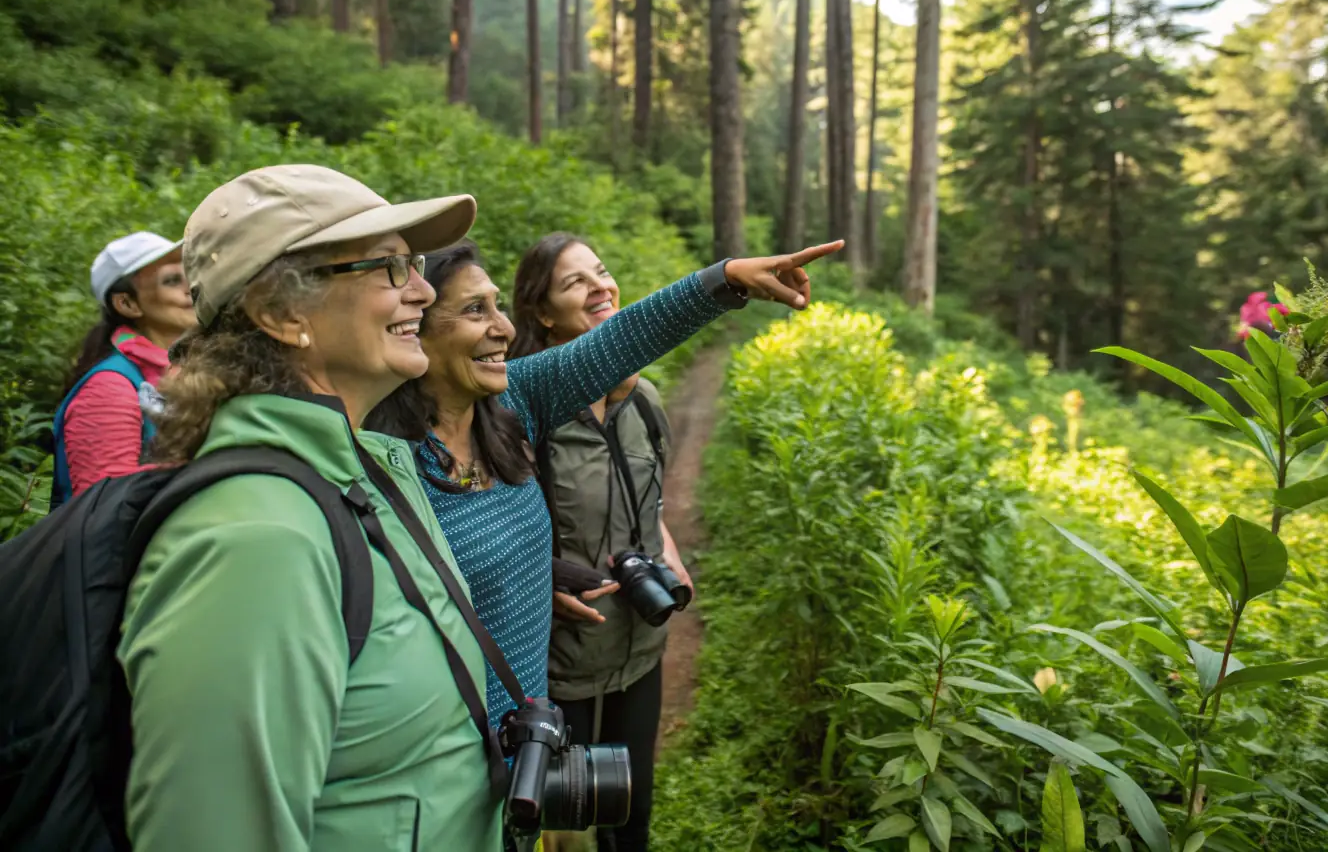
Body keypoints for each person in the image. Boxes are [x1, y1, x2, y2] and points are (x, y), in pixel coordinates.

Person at [116, 163, 509, 851]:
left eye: (412, 264)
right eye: (388, 268)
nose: (421, 289)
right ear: (280, 312)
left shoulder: (365, 467)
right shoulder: (255, 542)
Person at [366, 237, 842, 742]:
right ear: (414, 329)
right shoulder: (382, 458)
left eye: (498, 306)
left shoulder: (515, 400)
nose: (502, 328)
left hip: (524, 735)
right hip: (443, 746)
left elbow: (623, 339)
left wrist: (728, 278)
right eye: (474, 310)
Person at [507, 233, 690, 852]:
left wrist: (669, 554)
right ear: (540, 312)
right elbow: (491, 526)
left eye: (601, 272)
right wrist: (544, 579)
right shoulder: (523, 413)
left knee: (631, 808)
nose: (599, 287)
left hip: (642, 640)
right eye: (573, 282)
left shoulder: (643, 401)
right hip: (563, 659)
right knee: (571, 821)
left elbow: (652, 500)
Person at [51, 232, 195, 504]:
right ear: (127, 304)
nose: (191, 288)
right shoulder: (109, 389)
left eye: (190, 275)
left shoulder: (192, 369)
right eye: (172, 280)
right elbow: (106, 510)